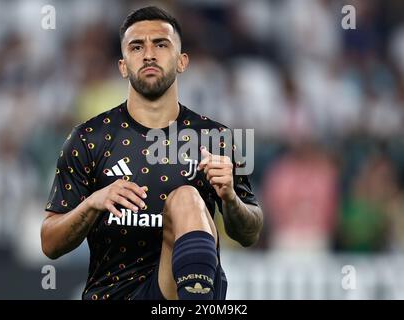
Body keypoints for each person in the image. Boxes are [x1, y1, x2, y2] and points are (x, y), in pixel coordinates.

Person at [41, 6, 263, 300]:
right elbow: (49, 243)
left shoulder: (217, 139)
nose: (149, 54)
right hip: (111, 294)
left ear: (182, 61)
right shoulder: (88, 138)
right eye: (136, 46)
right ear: (122, 66)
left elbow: (250, 233)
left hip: (177, 294)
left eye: (161, 44)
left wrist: (231, 197)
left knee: (186, 198)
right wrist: (93, 203)